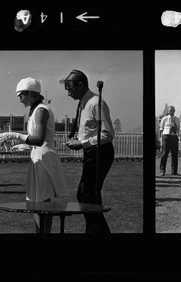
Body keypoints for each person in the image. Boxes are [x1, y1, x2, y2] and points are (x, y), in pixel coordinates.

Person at [0, 77, 72, 233]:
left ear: (31, 94)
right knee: (36, 201)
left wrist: (15, 135)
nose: (20, 99)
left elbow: (39, 139)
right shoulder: (36, 110)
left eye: (21, 95)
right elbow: (37, 140)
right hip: (38, 156)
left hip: (44, 159)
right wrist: (24, 145)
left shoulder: (41, 110)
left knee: (43, 202)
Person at [63, 69, 115, 234]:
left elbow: (108, 134)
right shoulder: (83, 103)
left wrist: (83, 143)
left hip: (101, 151)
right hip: (92, 151)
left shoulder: (95, 103)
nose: (68, 93)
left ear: (81, 85)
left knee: (85, 194)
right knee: (91, 196)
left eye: (70, 88)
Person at [159, 106, 181, 176]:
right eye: (170, 111)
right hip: (166, 137)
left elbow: (178, 129)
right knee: (164, 154)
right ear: (168, 111)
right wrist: (161, 139)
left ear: (174, 111)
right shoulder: (164, 119)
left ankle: (174, 171)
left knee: (174, 155)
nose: (171, 112)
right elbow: (161, 129)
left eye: (172, 111)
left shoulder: (177, 119)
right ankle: (162, 170)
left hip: (174, 137)